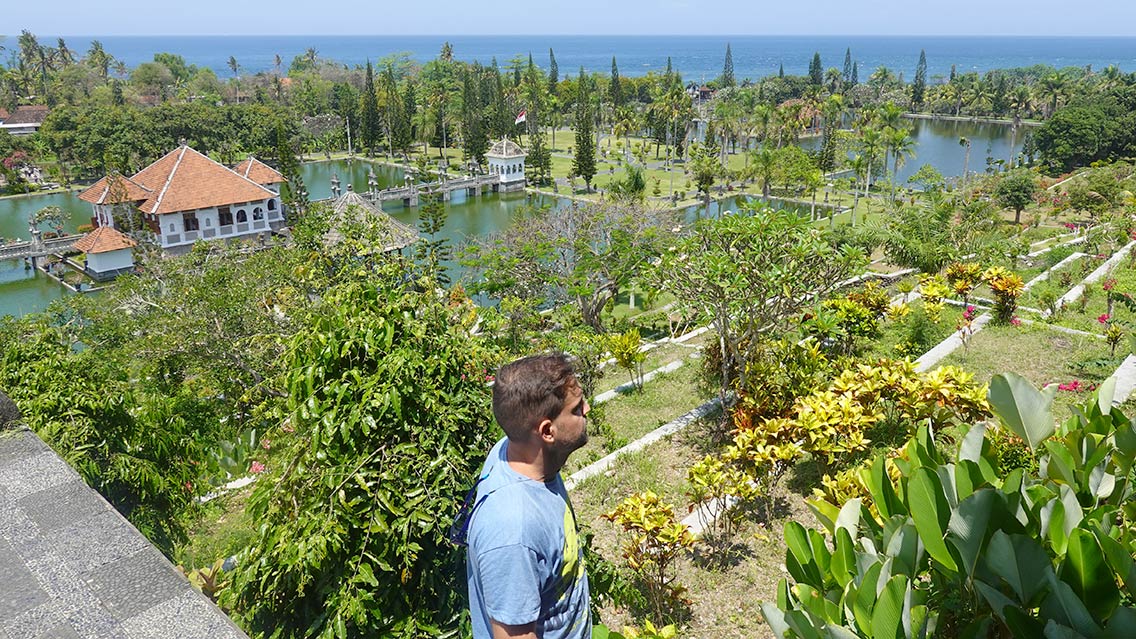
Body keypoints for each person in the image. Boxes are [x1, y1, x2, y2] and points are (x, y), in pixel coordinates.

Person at [465, 353, 591, 639]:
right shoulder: (513, 530)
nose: (587, 408)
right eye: (575, 409)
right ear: (547, 431)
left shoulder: (516, 450)